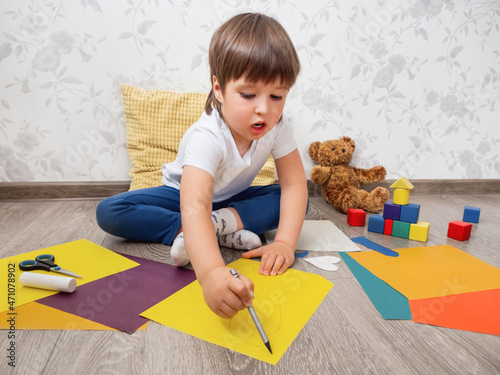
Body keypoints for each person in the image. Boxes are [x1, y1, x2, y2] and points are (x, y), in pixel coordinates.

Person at [96, 12, 308, 319]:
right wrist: (210, 273)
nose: (264, 109)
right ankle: (202, 231)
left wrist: (285, 243)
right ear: (219, 90)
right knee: (110, 212)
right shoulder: (207, 136)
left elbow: (293, 184)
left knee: (295, 201)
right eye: (248, 95)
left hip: (231, 200)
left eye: (277, 96)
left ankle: (214, 227)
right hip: (180, 195)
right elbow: (194, 204)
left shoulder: (277, 127)